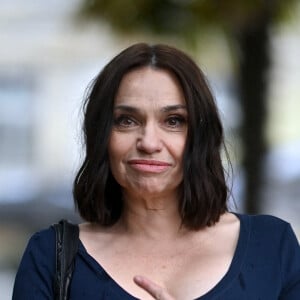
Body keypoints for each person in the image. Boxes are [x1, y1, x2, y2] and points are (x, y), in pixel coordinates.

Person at [13, 43, 300, 300]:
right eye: (126, 120)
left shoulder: (272, 247)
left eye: (173, 121)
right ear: (101, 136)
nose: (149, 142)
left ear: (200, 137)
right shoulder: (51, 257)